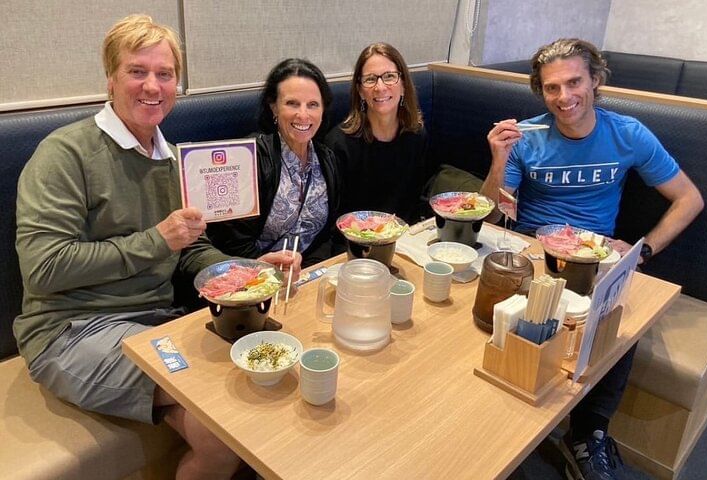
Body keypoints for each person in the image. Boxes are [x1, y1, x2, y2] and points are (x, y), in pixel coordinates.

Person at [13, 15, 299, 480]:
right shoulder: (65, 154)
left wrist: (245, 270)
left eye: (164, 74)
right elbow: (44, 268)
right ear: (110, 78)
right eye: (137, 71)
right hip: (70, 331)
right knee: (225, 392)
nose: (152, 86)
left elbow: (191, 248)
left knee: (224, 435)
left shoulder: (170, 160)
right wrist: (156, 240)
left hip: (154, 322)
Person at [481, 38, 703, 480]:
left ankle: (587, 434)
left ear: (595, 80)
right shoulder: (527, 137)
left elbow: (688, 199)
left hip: (595, 256)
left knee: (617, 319)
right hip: (534, 250)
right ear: (541, 92)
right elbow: (491, 214)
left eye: (574, 82)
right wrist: (499, 159)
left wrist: (643, 250)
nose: (564, 97)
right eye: (551, 88)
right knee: (504, 310)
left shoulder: (628, 134)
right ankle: (499, 426)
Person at [206, 58, 342, 267]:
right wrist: (269, 270)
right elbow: (230, 242)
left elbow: (326, 235)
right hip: (253, 274)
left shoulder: (327, 159)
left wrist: (309, 271)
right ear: (274, 108)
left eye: (313, 105)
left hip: (306, 273)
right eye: (292, 103)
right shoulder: (249, 158)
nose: (303, 114)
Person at [323, 42, 430, 224]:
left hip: (406, 236)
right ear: (360, 91)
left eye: (389, 77)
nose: (380, 87)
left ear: (403, 84)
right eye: (370, 79)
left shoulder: (416, 136)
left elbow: (416, 202)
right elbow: (333, 218)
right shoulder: (338, 145)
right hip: (354, 238)